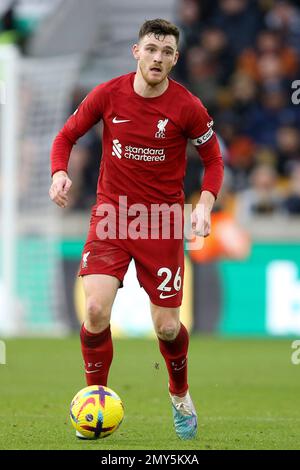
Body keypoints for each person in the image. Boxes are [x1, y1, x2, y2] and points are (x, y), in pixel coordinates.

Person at [49, 18, 223, 440]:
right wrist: (59, 174)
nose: (157, 58)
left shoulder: (187, 107)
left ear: (175, 59)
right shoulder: (108, 94)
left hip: (162, 223)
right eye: (151, 49)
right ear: (136, 51)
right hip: (111, 216)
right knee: (94, 310)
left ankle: (179, 394)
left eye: (166, 52)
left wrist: (203, 204)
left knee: (166, 326)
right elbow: (66, 136)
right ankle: (95, 401)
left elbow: (214, 161)